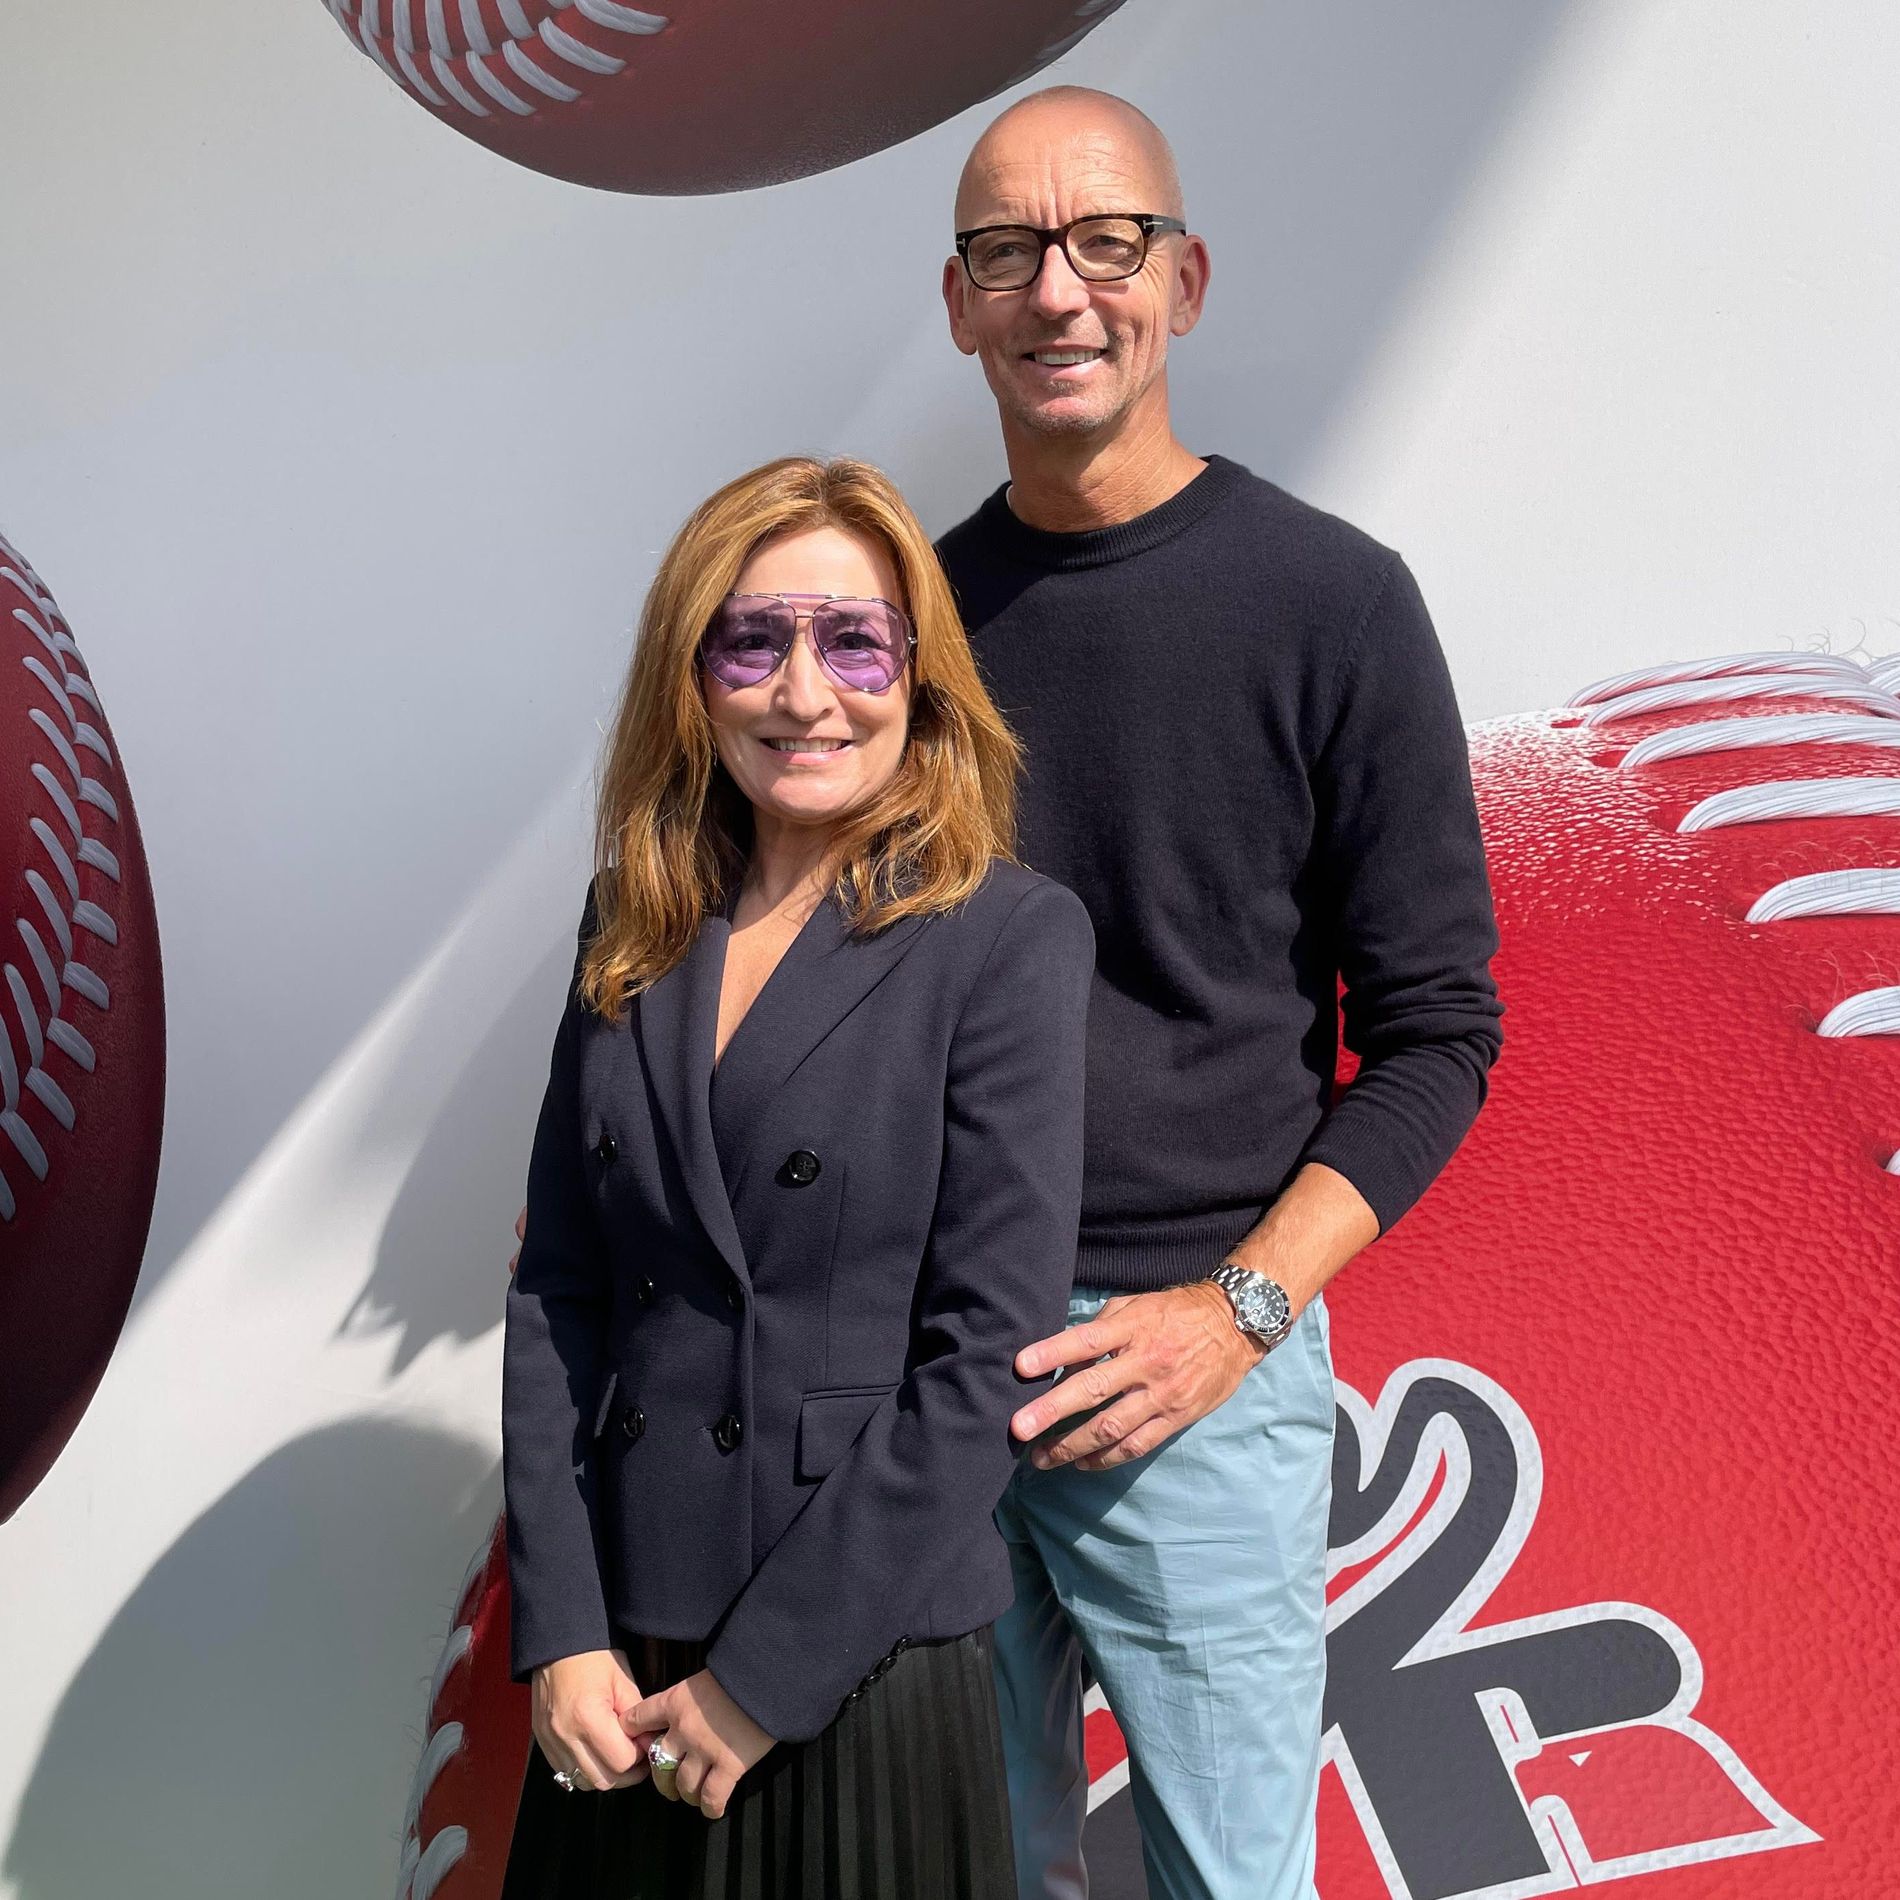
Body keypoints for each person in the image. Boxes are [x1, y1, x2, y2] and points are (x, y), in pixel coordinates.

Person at [932, 87, 1507, 1900]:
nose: (1061, 290)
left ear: (1182, 279)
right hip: (929, 1368)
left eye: (1106, 243)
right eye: (1010, 250)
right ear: (957, 305)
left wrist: (1234, 1315)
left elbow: (1438, 1037)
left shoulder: (1332, 604)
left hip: (1201, 1368)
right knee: (957, 1872)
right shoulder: (908, 632)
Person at [497, 454, 1095, 1900]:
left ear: (921, 674)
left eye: (855, 640)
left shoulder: (1004, 940)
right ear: (692, 677)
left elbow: (985, 1364)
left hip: (847, 1657)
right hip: (620, 1667)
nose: (803, 692)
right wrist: (561, 1626)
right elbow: (558, 1294)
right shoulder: (630, 920)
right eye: (753, 641)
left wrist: (765, 1680)